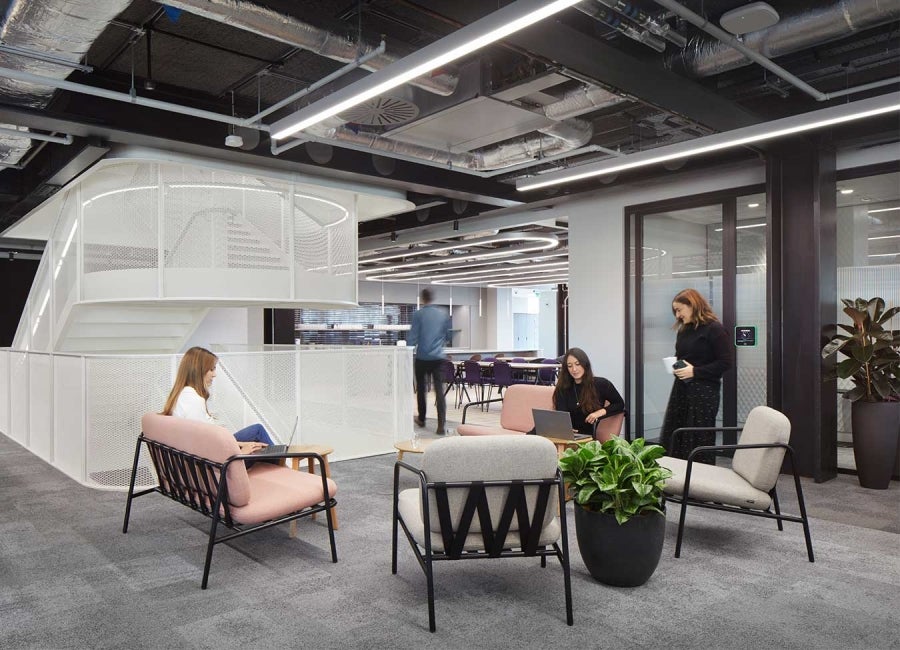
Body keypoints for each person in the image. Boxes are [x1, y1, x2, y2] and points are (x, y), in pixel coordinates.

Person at [660, 289, 733, 464]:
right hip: (682, 388)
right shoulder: (684, 330)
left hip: (704, 392)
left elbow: (725, 362)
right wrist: (676, 365)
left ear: (692, 305)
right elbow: (684, 357)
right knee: (675, 431)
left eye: (679, 310)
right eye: (675, 311)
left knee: (699, 436)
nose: (677, 315)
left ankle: (699, 483)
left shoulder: (715, 329)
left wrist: (695, 371)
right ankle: (675, 479)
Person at [161, 346, 274, 453]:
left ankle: (282, 467)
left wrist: (240, 444)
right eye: (211, 369)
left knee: (256, 434)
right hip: (217, 463)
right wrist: (240, 453)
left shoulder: (182, 394)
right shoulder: (194, 400)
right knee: (258, 432)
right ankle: (285, 469)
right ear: (198, 371)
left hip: (209, 452)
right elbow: (205, 445)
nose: (214, 375)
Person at [552, 347, 625, 438]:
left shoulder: (601, 384)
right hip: (564, 434)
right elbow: (560, 414)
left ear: (585, 364)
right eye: (570, 366)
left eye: (577, 364)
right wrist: (565, 428)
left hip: (585, 438)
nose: (574, 369)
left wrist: (599, 412)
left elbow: (619, 403)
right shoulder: (563, 388)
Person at [407, 288, 450, 434]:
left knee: (421, 389)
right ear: (433, 298)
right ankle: (441, 425)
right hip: (438, 358)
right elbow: (448, 336)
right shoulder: (443, 315)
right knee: (439, 391)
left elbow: (412, 337)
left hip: (422, 358)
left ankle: (422, 418)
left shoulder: (418, 315)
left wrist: (408, 347)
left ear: (422, 299)